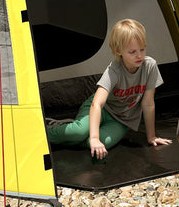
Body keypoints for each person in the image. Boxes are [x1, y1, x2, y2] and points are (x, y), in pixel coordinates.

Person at [46, 18, 172, 158]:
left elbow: (148, 104)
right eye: (132, 52)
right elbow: (97, 104)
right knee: (79, 133)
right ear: (119, 51)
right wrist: (94, 137)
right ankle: (46, 132)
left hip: (121, 120)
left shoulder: (150, 66)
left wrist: (152, 136)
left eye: (142, 49)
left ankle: (80, 135)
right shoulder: (114, 70)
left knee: (98, 145)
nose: (139, 55)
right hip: (102, 109)